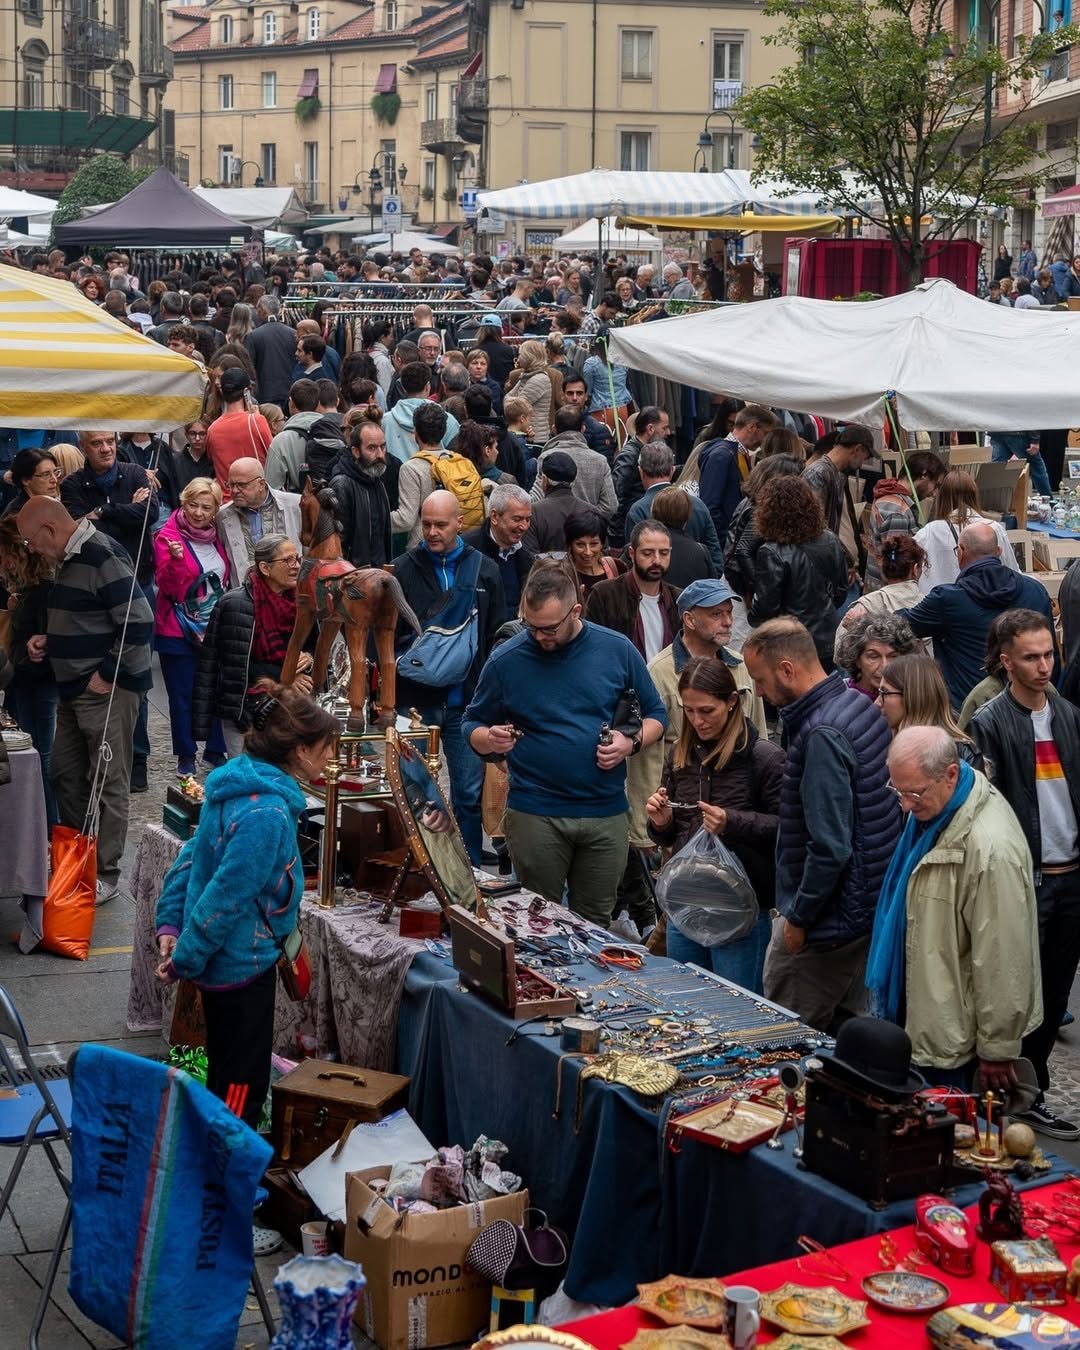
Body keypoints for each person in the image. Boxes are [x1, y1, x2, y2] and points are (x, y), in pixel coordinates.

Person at [155, 682, 338, 1131]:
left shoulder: (235, 788)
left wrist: (171, 925)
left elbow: (191, 857)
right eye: (325, 748)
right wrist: (185, 957)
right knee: (241, 1085)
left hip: (226, 962)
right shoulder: (267, 814)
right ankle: (228, 1171)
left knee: (225, 1069)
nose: (331, 758)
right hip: (239, 965)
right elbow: (225, 897)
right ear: (298, 751)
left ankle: (216, 1161)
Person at [465, 562, 666, 926]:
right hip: (535, 811)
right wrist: (488, 738)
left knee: (595, 925)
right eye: (532, 626)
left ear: (576, 611)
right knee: (537, 920)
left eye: (550, 628)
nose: (540, 636)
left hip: (604, 813)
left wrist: (629, 743)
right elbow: (471, 724)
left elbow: (656, 715)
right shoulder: (507, 660)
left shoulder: (616, 650)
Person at [742, 618, 900, 1032]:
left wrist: (798, 917)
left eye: (760, 680)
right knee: (845, 1042)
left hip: (829, 925)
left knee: (785, 1040)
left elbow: (830, 846)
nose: (758, 691)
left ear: (787, 670)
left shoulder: (822, 733)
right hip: (864, 910)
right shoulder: (857, 705)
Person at [866, 726, 1039, 1089]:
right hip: (924, 1019)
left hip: (952, 1041)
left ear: (950, 774)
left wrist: (998, 1046)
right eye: (897, 791)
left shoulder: (990, 848)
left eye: (913, 793)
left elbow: (1003, 956)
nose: (905, 806)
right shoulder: (935, 812)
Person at [971, 609, 1080, 1137]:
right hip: (1026, 881)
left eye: (1049, 654)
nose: (1044, 667)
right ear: (1007, 662)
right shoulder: (989, 724)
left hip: (1071, 876)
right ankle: (1002, 1093)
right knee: (1019, 994)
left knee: (1056, 993)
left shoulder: (1070, 717)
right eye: (1032, 657)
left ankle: (1029, 1091)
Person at [17, 497, 154, 905]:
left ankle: (106, 872)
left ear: (49, 530)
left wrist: (109, 672)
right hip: (73, 687)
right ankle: (80, 858)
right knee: (65, 772)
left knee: (108, 780)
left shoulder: (100, 553)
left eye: (30, 542)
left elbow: (139, 620)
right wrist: (49, 641)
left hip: (105, 689)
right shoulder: (67, 558)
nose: (31, 550)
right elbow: (85, 615)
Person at [646, 656, 783, 992]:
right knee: (684, 1005)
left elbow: (787, 828)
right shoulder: (680, 754)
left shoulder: (763, 757)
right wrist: (661, 822)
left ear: (732, 701)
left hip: (742, 906)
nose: (697, 720)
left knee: (738, 1006)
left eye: (706, 711)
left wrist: (731, 822)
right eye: (689, 711)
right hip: (685, 901)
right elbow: (674, 833)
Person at [393, 492, 504, 864]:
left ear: (460, 522)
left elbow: (494, 637)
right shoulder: (402, 569)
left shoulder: (485, 569)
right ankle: (425, 864)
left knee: (468, 792)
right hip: (416, 704)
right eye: (426, 524)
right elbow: (388, 638)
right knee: (417, 791)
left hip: (466, 703)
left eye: (440, 524)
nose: (432, 532)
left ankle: (470, 865)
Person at [901, 521, 1056, 709]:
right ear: (998, 552)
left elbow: (900, 626)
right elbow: (1051, 653)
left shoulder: (947, 600)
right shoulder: (1035, 591)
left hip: (968, 710)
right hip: (1030, 706)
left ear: (961, 552)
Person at [193, 534, 312, 758]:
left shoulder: (303, 601)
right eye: (287, 561)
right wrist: (287, 676)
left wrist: (310, 658)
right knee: (248, 781)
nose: (296, 566)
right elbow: (234, 667)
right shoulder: (235, 604)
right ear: (265, 568)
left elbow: (315, 645)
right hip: (246, 710)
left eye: (297, 559)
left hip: (292, 708)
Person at [153, 478, 230, 777]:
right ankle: (185, 753)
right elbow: (167, 587)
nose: (198, 513)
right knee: (183, 693)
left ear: (215, 511)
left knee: (215, 687)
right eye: (192, 505)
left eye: (206, 507)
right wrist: (175, 560)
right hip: (178, 628)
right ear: (183, 503)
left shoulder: (216, 535)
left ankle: (214, 749)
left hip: (214, 625)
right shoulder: (167, 537)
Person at [747, 475, 848, 671]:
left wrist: (752, 617)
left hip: (790, 644)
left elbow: (766, 608)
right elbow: (841, 590)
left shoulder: (771, 551)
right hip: (828, 638)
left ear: (769, 511)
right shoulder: (830, 539)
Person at [585, 519, 680, 663]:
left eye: (664, 553)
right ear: (631, 553)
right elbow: (593, 651)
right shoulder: (604, 595)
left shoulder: (678, 599)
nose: (657, 560)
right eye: (647, 553)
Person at [392, 403, 484, 547]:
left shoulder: (411, 468)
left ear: (415, 432)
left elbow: (405, 519)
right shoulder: (461, 461)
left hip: (424, 545)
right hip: (456, 543)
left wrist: (378, 518)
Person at [913, 469, 1020, 593]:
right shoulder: (994, 529)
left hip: (939, 605)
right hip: (985, 604)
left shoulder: (929, 531)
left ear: (942, 498)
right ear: (974, 495)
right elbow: (1013, 571)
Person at [624, 442, 724, 571]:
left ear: (640, 471)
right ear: (672, 470)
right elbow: (716, 560)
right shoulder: (698, 505)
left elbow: (632, 562)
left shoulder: (638, 511)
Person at [876, 652, 983, 767]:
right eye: (879, 692)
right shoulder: (879, 746)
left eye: (885, 693)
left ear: (914, 697)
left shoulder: (960, 757)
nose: (877, 703)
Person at [724, 454, 805, 602]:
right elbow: (743, 551)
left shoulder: (751, 501)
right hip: (742, 589)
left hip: (738, 583)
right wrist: (760, 589)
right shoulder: (760, 509)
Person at [803, 423, 873, 587]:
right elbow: (815, 525)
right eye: (865, 457)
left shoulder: (833, 473)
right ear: (857, 449)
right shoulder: (818, 473)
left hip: (826, 564)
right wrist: (844, 558)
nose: (863, 464)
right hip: (818, 567)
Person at [697, 404, 778, 544]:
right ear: (752, 427)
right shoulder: (722, 455)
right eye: (765, 433)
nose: (764, 440)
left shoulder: (735, 453)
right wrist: (723, 541)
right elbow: (710, 505)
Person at [214, 457, 302, 585]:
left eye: (242, 485)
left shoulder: (296, 505)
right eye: (231, 485)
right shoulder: (222, 516)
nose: (234, 491)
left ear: (261, 484)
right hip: (248, 596)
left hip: (291, 593)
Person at [837, 534, 928, 643]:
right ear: (916, 569)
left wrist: (854, 628)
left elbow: (840, 651)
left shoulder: (867, 605)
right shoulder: (929, 605)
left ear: (883, 567)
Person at [327, 416, 392, 568]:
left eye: (382, 447)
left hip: (378, 574)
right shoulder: (342, 484)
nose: (380, 455)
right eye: (372, 448)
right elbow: (337, 543)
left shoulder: (376, 480)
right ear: (356, 451)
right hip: (354, 578)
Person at [463, 483, 534, 622]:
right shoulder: (466, 551)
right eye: (517, 519)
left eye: (528, 519)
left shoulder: (526, 558)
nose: (524, 526)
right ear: (494, 516)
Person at [531, 407, 617, 516]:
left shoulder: (546, 457)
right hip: (589, 529)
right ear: (583, 429)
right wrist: (586, 519)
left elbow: (536, 499)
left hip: (553, 528)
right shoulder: (600, 461)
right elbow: (610, 506)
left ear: (554, 429)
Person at [206, 369, 272, 496]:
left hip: (226, 500)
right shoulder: (256, 420)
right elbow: (272, 455)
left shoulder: (212, 429)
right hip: (255, 498)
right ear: (246, 392)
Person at [384, 361, 461, 463]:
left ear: (403, 387)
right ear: (427, 387)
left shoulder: (384, 421)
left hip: (395, 477)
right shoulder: (447, 420)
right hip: (435, 475)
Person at [834, 612, 917, 699]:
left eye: (893, 657)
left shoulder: (911, 698)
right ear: (857, 659)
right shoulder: (839, 698)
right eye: (874, 657)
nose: (884, 666)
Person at [648, 487, 717, 588]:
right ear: (687, 515)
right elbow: (712, 589)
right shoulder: (701, 551)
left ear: (654, 513)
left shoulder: (643, 548)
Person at [863, 474, 920, 592]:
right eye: (935, 484)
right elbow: (894, 560)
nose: (934, 492)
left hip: (877, 589)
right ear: (924, 475)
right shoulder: (897, 510)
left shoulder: (886, 495)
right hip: (889, 596)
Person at [264, 379, 322, 493]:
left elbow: (272, 487)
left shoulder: (281, 441)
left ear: (290, 402)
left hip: (299, 506)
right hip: (333, 503)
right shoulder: (335, 430)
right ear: (318, 404)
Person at [245, 295, 300, 411]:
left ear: (262, 310)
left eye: (257, 309)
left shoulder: (253, 336)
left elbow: (249, 367)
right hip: (291, 392)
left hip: (265, 394)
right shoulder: (293, 334)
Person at [523, 452, 584, 554]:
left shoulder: (533, 512)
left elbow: (530, 556)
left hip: (544, 569)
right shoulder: (591, 511)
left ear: (545, 480)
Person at [505, 340, 557, 438]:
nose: (518, 358)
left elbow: (513, 408)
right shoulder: (526, 376)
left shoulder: (539, 379)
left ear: (528, 356)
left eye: (520, 354)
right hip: (526, 434)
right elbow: (508, 399)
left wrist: (511, 399)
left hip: (536, 436)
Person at [158, 420, 212, 511]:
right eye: (193, 433)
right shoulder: (174, 461)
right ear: (186, 435)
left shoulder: (213, 459)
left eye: (202, 434)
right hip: (179, 512)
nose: (197, 438)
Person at [987, 427, 1053, 498]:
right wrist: (1034, 439)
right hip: (1017, 431)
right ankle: (1049, 502)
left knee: (998, 469)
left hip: (998, 430)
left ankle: (995, 502)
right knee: (1036, 469)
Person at [1, 448, 62, 518]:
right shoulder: (16, 517)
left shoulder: (55, 505)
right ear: (25, 480)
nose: (55, 480)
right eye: (46, 474)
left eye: (55, 472)